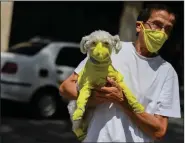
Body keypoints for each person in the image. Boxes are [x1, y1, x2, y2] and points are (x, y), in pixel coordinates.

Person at [59, 4, 181, 142]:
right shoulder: (109, 48)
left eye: (168, 29)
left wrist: (124, 102)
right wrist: (95, 95)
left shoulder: (167, 72)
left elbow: (159, 131)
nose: (161, 32)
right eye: (157, 24)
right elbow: (66, 88)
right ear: (139, 26)